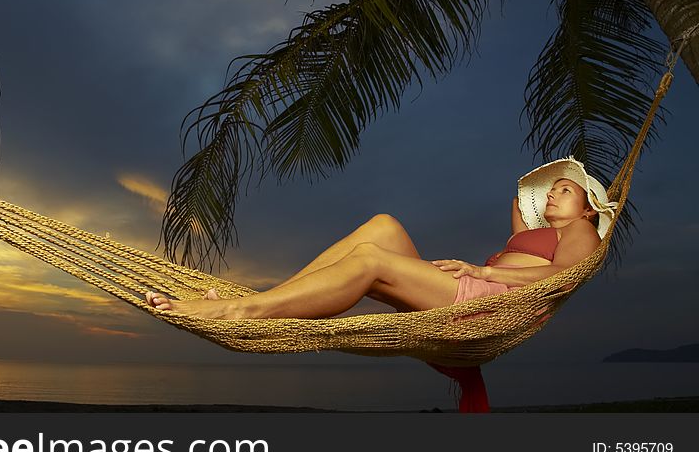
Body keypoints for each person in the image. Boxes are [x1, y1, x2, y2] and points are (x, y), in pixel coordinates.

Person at [146, 157, 617, 320]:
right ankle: (269, 298)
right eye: (551, 190)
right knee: (383, 225)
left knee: (371, 257)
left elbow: (562, 275)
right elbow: (521, 212)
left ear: (589, 207)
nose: (553, 194)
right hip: (466, 290)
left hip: (482, 301)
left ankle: (240, 309)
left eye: (565, 189)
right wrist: (531, 199)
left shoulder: (580, 231)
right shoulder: (535, 235)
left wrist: (481, 269)